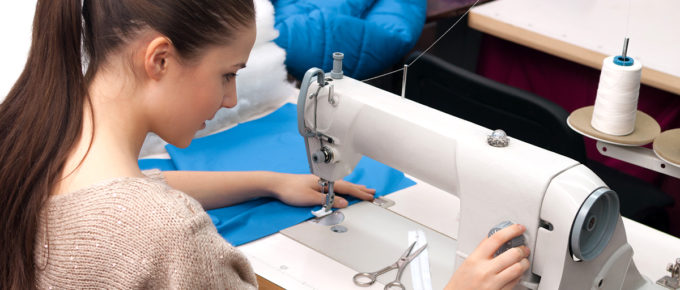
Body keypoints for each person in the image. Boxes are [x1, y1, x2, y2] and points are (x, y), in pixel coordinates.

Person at [0, 1, 529, 289]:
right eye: (227, 74)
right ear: (158, 59)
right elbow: (141, 216)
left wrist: (268, 180)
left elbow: (125, 191)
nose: (231, 99)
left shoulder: (29, 141)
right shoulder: (166, 237)